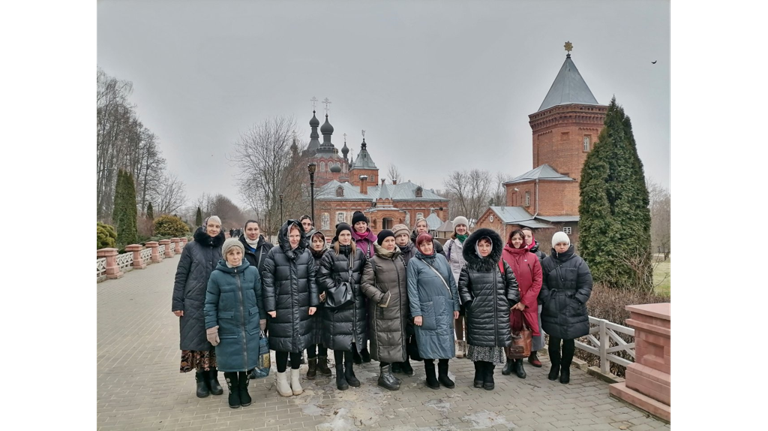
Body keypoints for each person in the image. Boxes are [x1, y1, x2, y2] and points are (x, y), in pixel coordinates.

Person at [204, 238, 266, 408]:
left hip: (250, 322)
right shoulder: (217, 276)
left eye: (238, 253)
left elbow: (260, 297)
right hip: (227, 325)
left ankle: (244, 389)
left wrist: (262, 318)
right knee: (230, 360)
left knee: (247, 358)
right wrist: (211, 327)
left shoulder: (252, 272)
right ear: (225, 255)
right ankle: (233, 390)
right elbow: (210, 303)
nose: (235, 257)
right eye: (231, 254)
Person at [262, 219, 319, 397]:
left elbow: (312, 279)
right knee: (282, 344)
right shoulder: (274, 253)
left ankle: (295, 378)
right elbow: (268, 281)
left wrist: (313, 302)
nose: (294, 239)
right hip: (281, 307)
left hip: (302, 306)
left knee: (298, 344)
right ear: (284, 236)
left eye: (297, 235)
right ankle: (281, 379)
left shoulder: (306, 254)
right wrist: (270, 306)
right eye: (291, 235)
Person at [458, 228, 520, 390]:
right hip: (477, 315)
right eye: (481, 245)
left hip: (496, 314)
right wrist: (470, 304)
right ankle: (478, 374)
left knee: (492, 348)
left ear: (492, 246)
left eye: (487, 245)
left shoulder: (500, 264)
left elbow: (513, 284)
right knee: (478, 347)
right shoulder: (469, 266)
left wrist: (508, 302)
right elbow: (463, 287)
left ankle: (489, 375)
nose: (484, 248)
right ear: (475, 247)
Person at [172, 215, 226, 398]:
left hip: (217, 303)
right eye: (211, 225)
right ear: (205, 226)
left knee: (215, 340)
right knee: (197, 341)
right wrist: (177, 302)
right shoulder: (191, 247)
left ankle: (214, 377)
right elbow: (181, 275)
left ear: (220, 228)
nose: (213, 229)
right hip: (193, 302)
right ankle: (200, 379)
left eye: (217, 226)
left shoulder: (222, 248)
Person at [317, 223, 368, 391]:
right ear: (337, 237)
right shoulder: (330, 255)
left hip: (355, 304)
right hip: (338, 304)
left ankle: (350, 371)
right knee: (340, 340)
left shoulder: (358, 253)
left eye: (348, 235)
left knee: (351, 339)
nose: (345, 238)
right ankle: (340, 374)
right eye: (342, 235)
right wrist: (338, 289)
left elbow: (366, 274)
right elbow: (322, 276)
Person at [407, 233, 460, 390]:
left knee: (446, 342)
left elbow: (451, 283)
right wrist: (416, 313)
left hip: (445, 306)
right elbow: (412, 289)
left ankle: (443, 374)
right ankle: (430, 376)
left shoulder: (442, 259)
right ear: (418, 247)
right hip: (426, 309)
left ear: (433, 244)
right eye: (422, 245)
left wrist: (456, 305)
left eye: (428, 244)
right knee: (427, 342)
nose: (426, 247)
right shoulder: (414, 263)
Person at [540, 231, 593, 384]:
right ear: (553, 246)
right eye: (558, 244)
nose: (562, 247)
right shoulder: (547, 263)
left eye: (564, 244)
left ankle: (566, 369)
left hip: (572, 306)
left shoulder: (579, 262)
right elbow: (541, 283)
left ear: (569, 245)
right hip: (553, 306)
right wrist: (548, 298)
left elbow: (586, 285)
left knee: (569, 340)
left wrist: (577, 301)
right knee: (554, 340)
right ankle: (555, 367)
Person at [360, 230, 409, 391]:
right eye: (386, 241)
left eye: (392, 240)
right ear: (380, 243)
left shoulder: (399, 258)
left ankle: (389, 373)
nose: (390, 243)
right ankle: (383, 374)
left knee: (394, 340)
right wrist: (382, 298)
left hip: (400, 308)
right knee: (385, 341)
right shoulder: (374, 261)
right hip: (384, 309)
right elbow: (365, 284)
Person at [500, 229, 542, 379]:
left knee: (523, 333)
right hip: (509, 304)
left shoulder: (532, 258)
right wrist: (508, 300)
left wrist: (524, 302)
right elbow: (500, 279)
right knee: (508, 332)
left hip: (526, 304)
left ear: (524, 240)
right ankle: (509, 361)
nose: (517, 241)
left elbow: (537, 281)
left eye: (520, 239)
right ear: (510, 240)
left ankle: (520, 363)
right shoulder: (502, 255)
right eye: (514, 239)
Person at [305, 229, 333, 379]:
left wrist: (327, 292)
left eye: (320, 241)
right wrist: (313, 295)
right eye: (314, 241)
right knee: (311, 334)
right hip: (310, 301)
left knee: (323, 333)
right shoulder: (306, 256)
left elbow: (332, 276)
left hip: (326, 301)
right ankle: (311, 363)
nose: (317, 244)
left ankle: (323, 361)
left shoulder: (328, 256)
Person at [390, 223, 416, 376]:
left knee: (407, 330)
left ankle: (405, 360)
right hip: (395, 297)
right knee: (395, 330)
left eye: (404, 235)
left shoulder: (414, 252)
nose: (401, 239)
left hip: (410, 296)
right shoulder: (391, 253)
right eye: (398, 236)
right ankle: (395, 361)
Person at [443, 216, 470, 358]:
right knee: (458, 315)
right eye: (458, 226)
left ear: (467, 228)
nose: (461, 228)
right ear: (455, 228)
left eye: (463, 226)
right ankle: (459, 344)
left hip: (470, 282)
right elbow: (443, 261)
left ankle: (470, 344)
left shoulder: (472, 242)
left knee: (470, 315)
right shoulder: (450, 244)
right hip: (454, 282)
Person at [350, 210, 375, 363]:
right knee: (355, 318)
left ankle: (364, 348)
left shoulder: (374, 240)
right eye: (358, 224)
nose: (361, 226)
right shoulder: (350, 239)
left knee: (367, 318)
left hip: (371, 282)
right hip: (355, 283)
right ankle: (354, 349)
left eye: (363, 223)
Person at [522, 227, 546, 368]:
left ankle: (533, 354)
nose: (525, 239)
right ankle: (516, 353)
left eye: (528, 236)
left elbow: (543, 279)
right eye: (522, 236)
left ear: (533, 237)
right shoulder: (513, 254)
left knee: (535, 326)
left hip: (536, 298)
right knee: (517, 327)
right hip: (518, 298)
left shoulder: (541, 256)